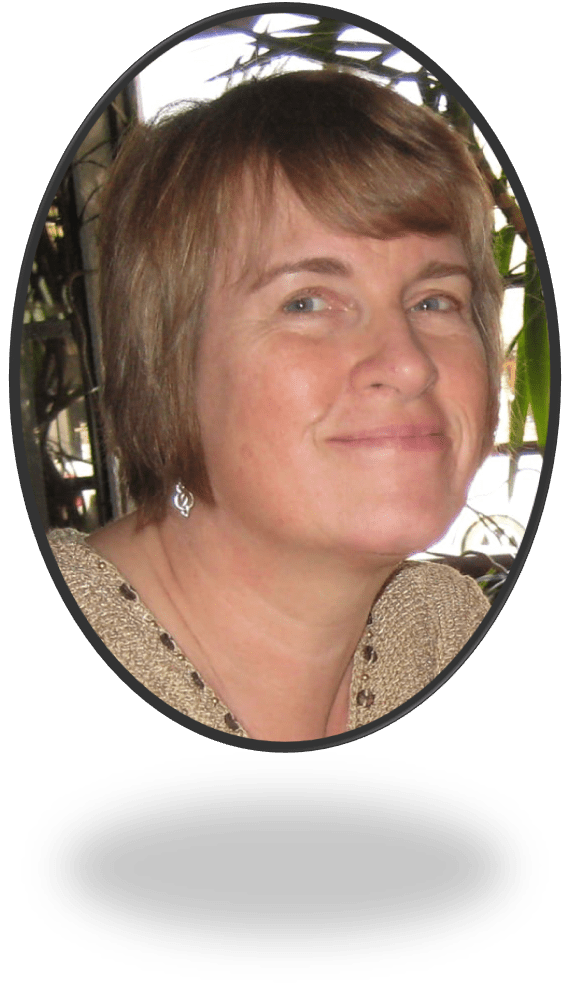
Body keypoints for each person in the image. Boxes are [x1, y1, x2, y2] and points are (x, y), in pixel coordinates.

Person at [48, 69, 501, 743]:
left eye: (434, 301)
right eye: (307, 302)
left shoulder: (440, 632)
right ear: (165, 358)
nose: (410, 364)